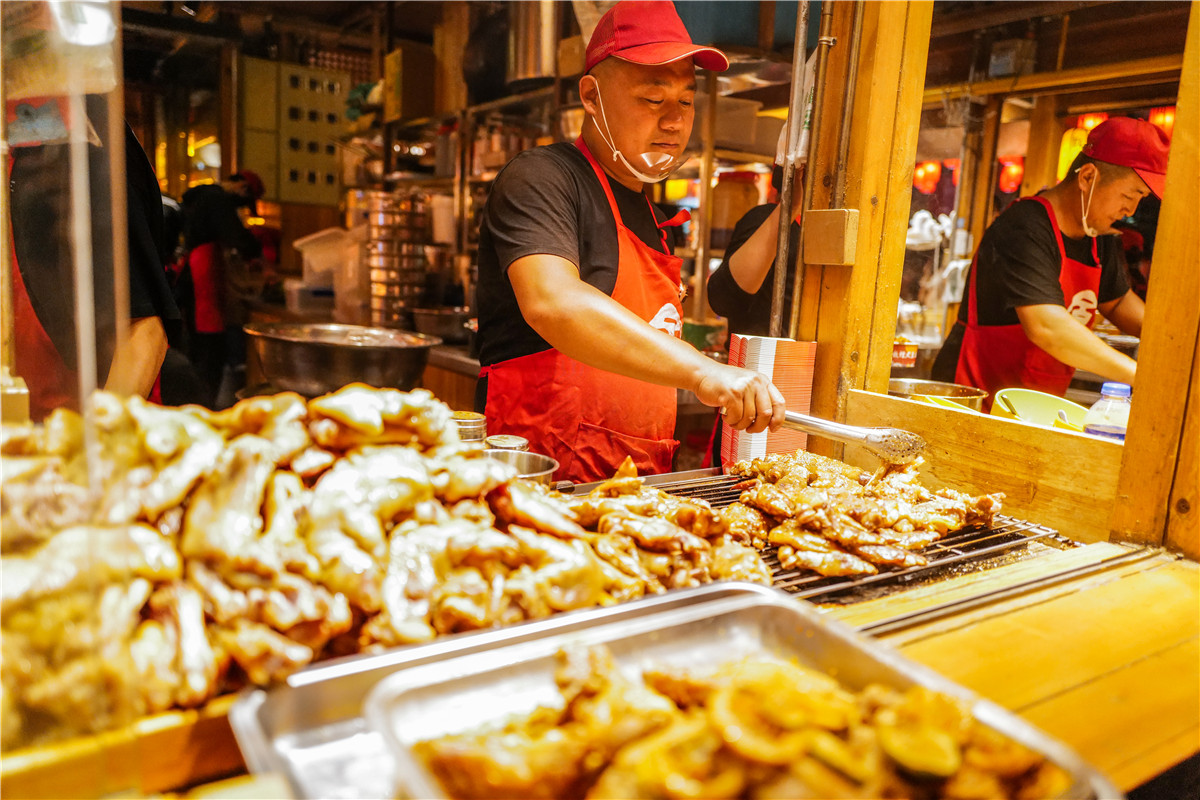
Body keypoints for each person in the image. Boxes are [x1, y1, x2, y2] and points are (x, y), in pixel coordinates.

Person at [475, 0, 786, 483]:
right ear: (591, 96)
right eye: (652, 98)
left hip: (637, 489)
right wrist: (704, 371)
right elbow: (553, 302)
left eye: (685, 101)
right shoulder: (542, 178)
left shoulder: (654, 217)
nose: (674, 121)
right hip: (541, 487)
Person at [930, 117, 1168, 408]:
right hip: (975, 399)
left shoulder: (1097, 235)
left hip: (1034, 406)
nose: (1130, 209)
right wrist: (1141, 374)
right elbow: (1046, 326)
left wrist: (1174, 341)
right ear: (1088, 177)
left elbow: (1117, 303)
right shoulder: (1025, 226)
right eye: (1129, 195)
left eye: (1140, 199)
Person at [9, 94, 182, 421]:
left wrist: (93, 451)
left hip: (86, 434)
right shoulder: (15, 147)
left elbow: (143, 332)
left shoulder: (80, 138)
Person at [176, 169, 265, 407]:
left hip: (197, 271)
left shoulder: (203, 196)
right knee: (210, 347)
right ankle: (204, 406)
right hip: (202, 272)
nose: (242, 206)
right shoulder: (217, 200)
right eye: (246, 200)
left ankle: (199, 403)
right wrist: (254, 251)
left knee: (201, 345)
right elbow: (237, 236)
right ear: (242, 187)